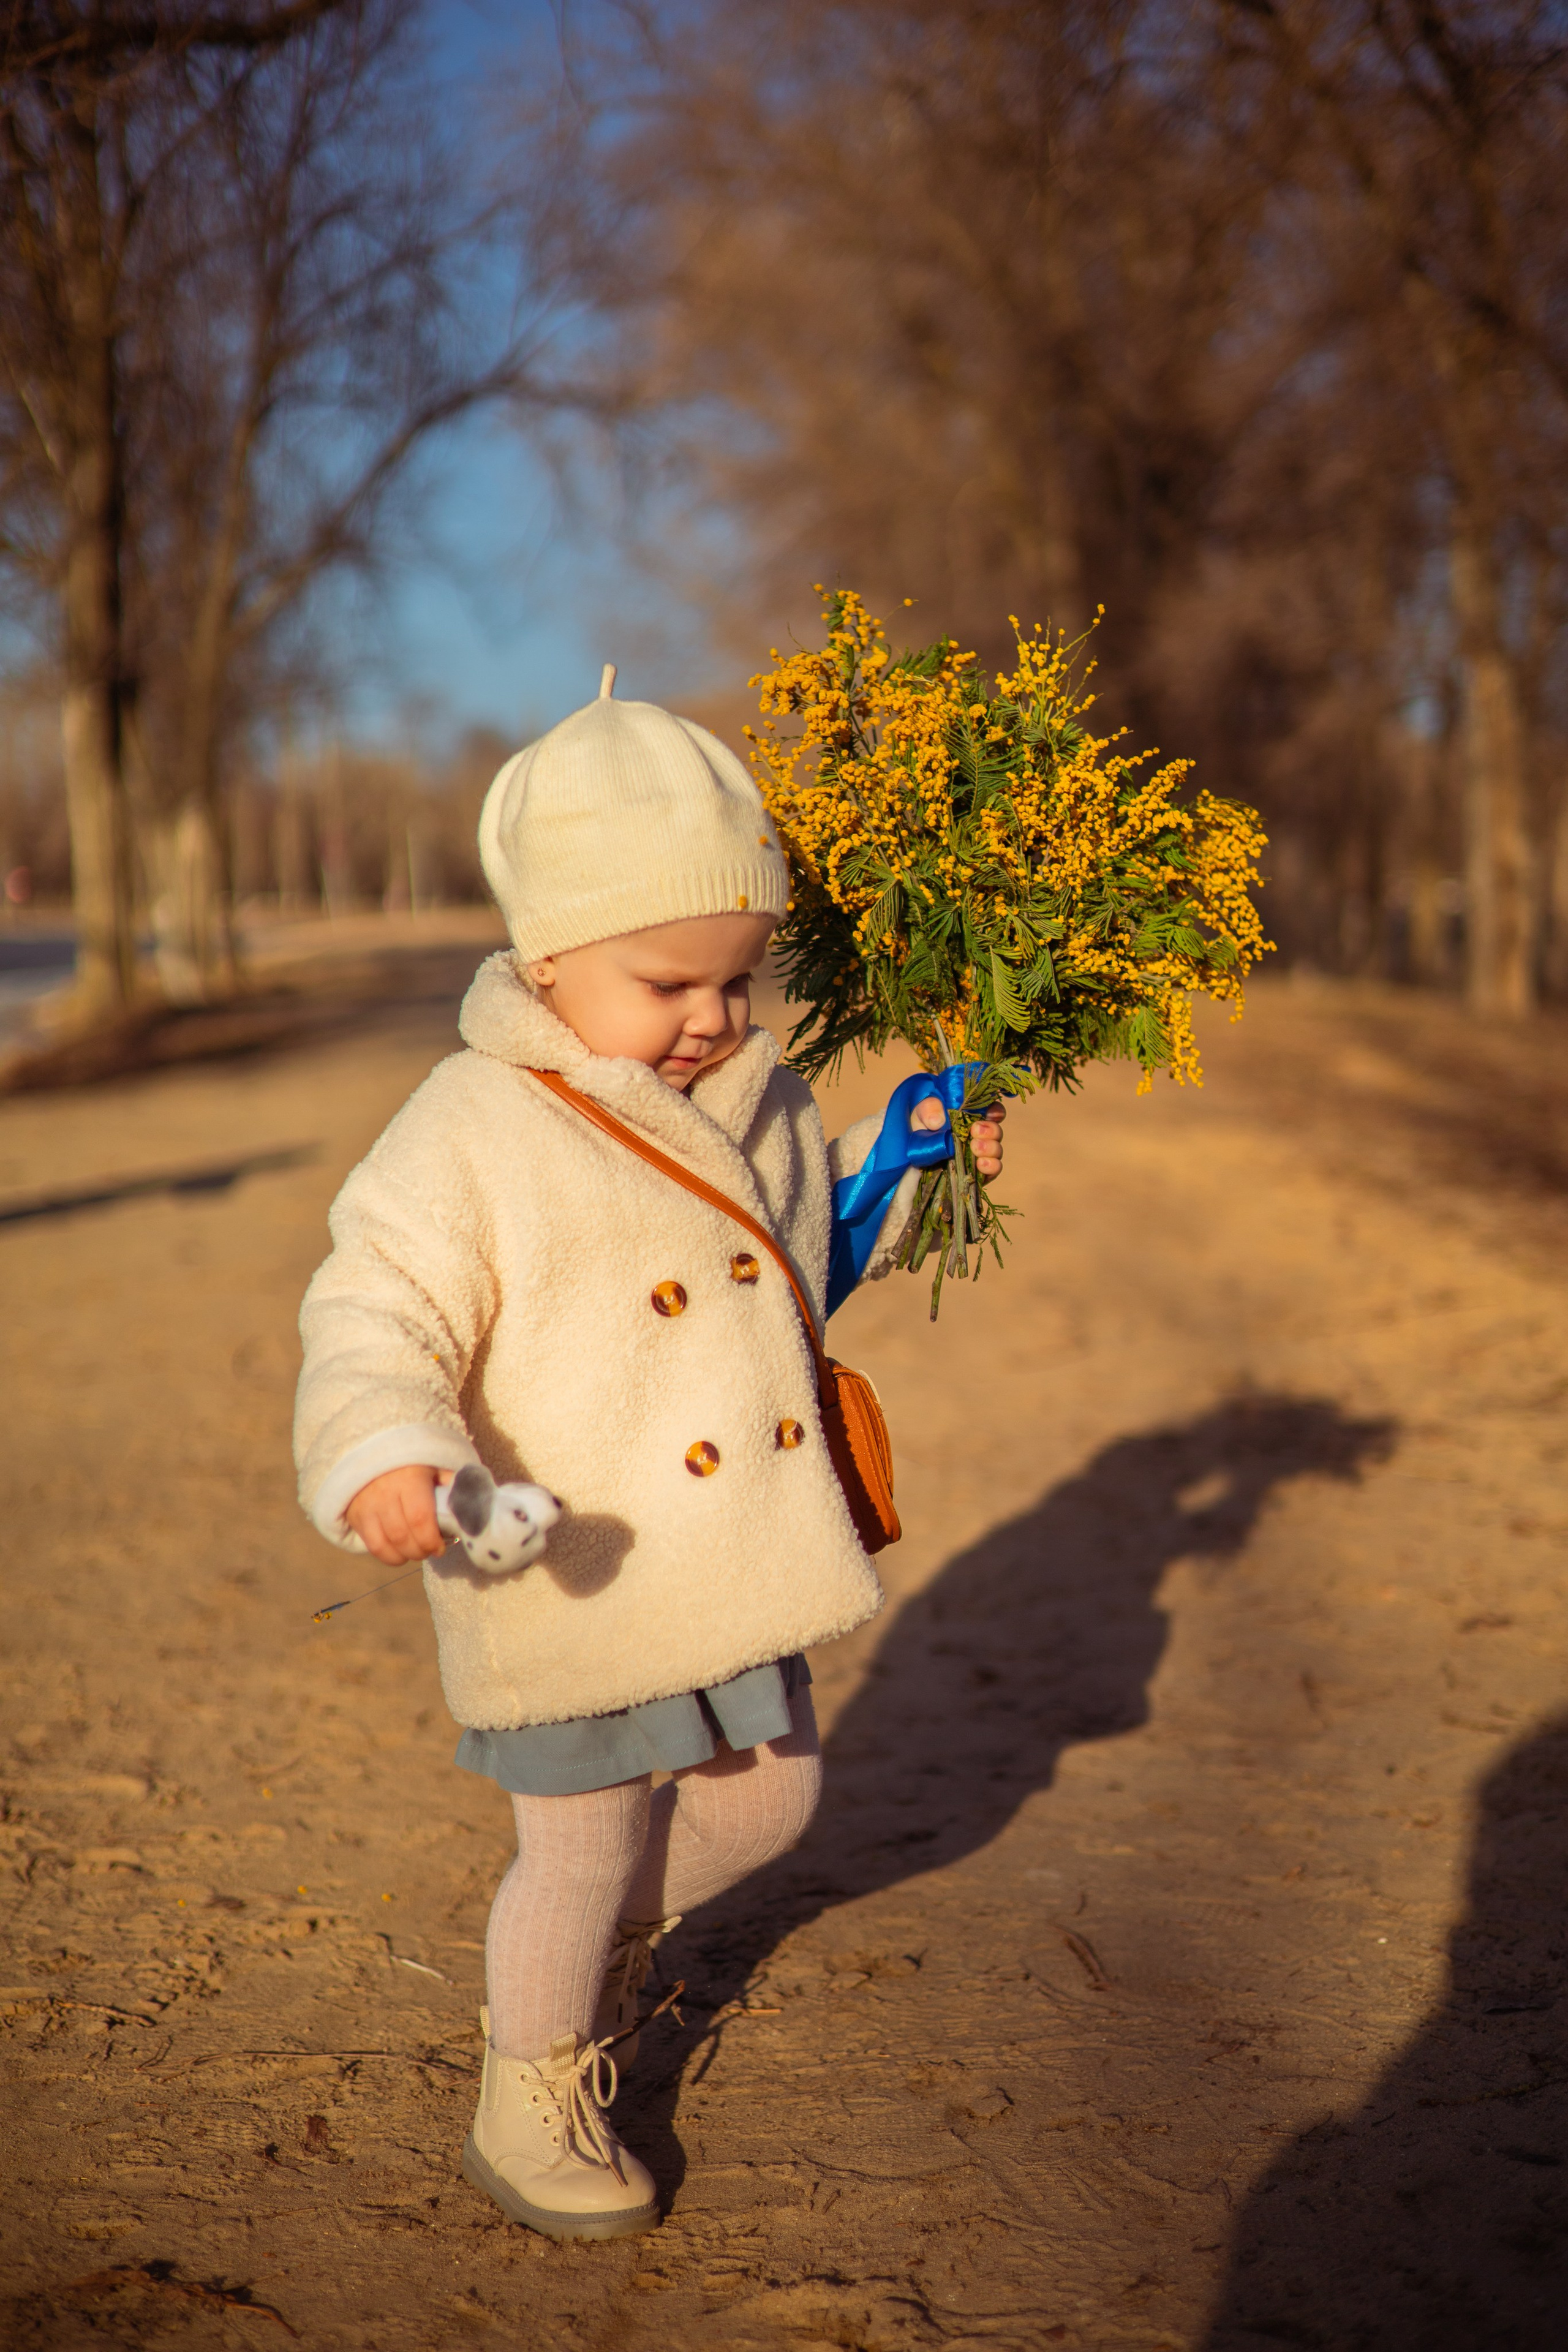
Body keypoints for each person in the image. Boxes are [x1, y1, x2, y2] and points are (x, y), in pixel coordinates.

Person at [293, 669, 1003, 2242]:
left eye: (738, 979)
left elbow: (794, 1271)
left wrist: (907, 1158)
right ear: (546, 956)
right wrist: (386, 1450)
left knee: (767, 1808)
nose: (712, 1019)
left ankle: (597, 1958)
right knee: (581, 1847)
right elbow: (375, 1304)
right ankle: (531, 2082)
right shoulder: (473, 1124)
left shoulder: (759, 1096)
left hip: (723, 1555)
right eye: (668, 982)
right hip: (575, 1562)